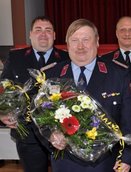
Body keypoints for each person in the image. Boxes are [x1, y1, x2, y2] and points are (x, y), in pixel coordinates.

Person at [44, 18, 131, 172]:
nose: (80, 46)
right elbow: (39, 119)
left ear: (97, 42)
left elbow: (129, 121)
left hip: (106, 163)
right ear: (67, 44)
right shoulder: (51, 75)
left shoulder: (118, 75)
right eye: (74, 40)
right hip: (64, 162)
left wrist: (127, 157)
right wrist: (50, 136)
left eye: (86, 40)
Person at [0, 16, 69, 172]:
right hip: (27, 133)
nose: (43, 34)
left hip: (61, 133)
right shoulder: (16, 57)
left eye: (48, 30)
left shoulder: (67, 58)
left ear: (55, 35)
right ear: (30, 35)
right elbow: (2, 88)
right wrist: (2, 113)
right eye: (38, 30)